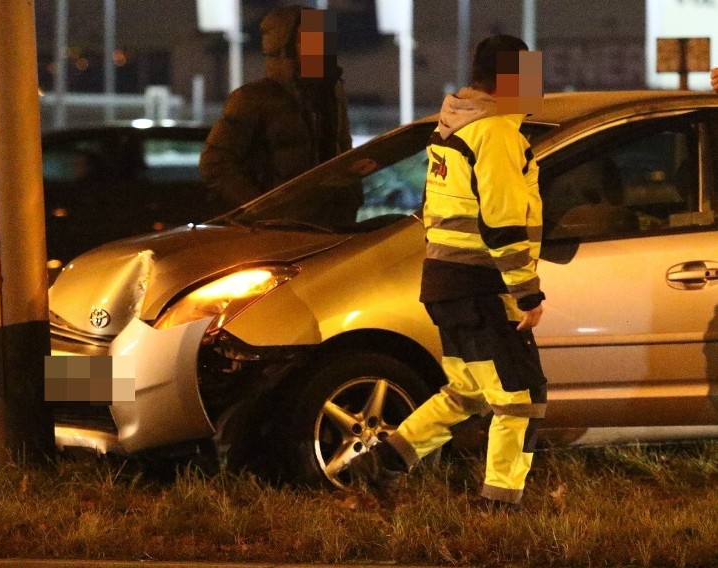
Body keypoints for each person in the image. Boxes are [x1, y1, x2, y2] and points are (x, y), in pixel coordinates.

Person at [346, 34, 548, 511]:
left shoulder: (455, 127)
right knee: (521, 396)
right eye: (531, 75)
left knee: (468, 393)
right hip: (478, 284)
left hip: (447, 282)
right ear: (509, 79)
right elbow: (501, 221)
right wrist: (528, 293)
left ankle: (382, 464)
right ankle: (499, 503)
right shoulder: (494, 132)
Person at [198, 5, 352, 209]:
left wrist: (351, 198)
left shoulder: (332, 95)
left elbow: (343, 152)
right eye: (311, 39)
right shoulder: (251, 99)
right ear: (285, 46)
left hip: (332, 226)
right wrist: (262, 208)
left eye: (325, 38)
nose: (321, 47)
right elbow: (215, 163)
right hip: (277, 231)